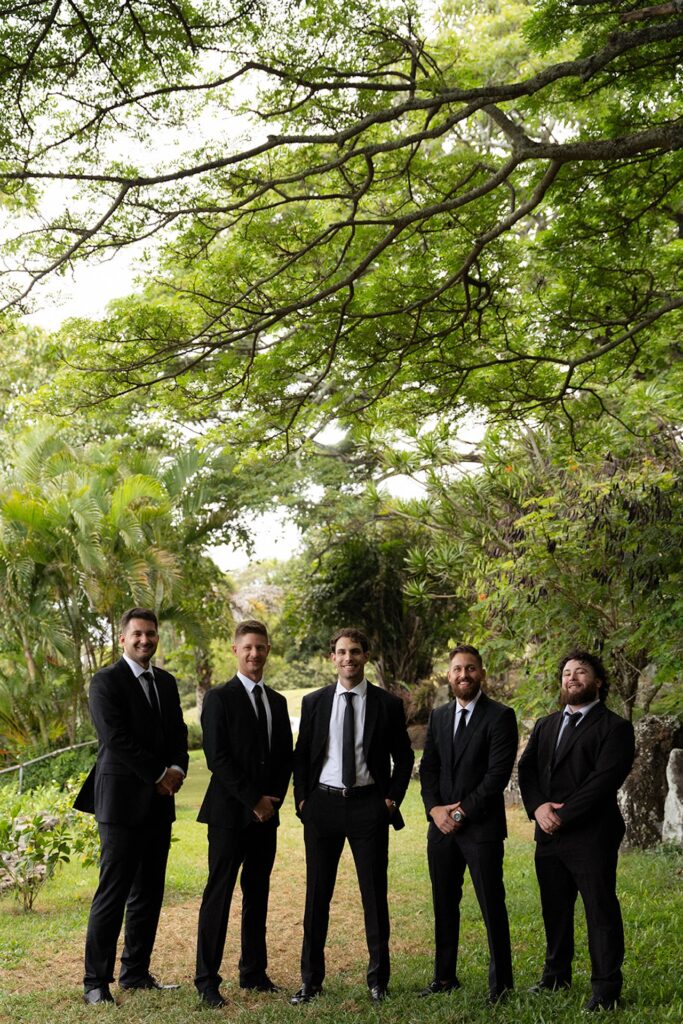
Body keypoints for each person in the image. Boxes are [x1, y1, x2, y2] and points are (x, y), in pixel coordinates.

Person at [290, 628, 414, 1005]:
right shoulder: (314, 702)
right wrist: (302, 801)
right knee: (317, 895)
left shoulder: (386, 704)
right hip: (323, 806)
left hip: (368, 807)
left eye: (355, 652)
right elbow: (302, 755)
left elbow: (404, 757)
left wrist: (391, 799)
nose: (348, 658)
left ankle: (378, 980)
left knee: (374, 895)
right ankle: (310, 981)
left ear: (365, 656)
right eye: (342, 652)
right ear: (332, 657)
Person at [74, 608, 189, 1005]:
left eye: (151, 634)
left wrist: (176, 768)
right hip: (121, 803)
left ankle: (136, 972)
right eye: (137, 634)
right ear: (122, 639)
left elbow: (178, 730)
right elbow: (115, 738)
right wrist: (159, 773)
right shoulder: (105, 681)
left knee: (149, 892)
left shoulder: (167, 682)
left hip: (159, 804)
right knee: (114, 892)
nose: (145, 640)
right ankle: (95, 982)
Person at [518, 649, 636, 1013]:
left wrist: (563, 815)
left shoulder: (615, 727)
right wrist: (538, 808)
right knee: (554, 909)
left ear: (597, 681)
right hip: (548, 833)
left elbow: (603, 782)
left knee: (599, 910)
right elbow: (526, 771)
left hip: (591, 833)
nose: (572, 677)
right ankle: (556, 975)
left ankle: (605, 990)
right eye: (567, 672)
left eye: (581, 672)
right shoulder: (546, 724)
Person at [194, 620, 293, 1008]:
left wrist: (275, 800)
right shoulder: (219, 698)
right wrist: (254, 800)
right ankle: (206, 981)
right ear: (236, 650)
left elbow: (286, 757)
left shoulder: (279, 701)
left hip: (267, 816)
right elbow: (217, 758)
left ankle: (253, 972)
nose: (255, 654)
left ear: (268, 650)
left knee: (258, 892)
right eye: (248, 647)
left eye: (261, 647)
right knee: (218, 895)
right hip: (228, 816)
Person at [419, 644, 518, 1005]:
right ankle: (444, 977)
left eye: (471, 668)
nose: (464, 675)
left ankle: (501, 985)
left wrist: (459, 814)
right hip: (440, 829)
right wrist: (435, 811)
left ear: (482, 673)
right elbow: (428, 768)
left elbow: (496, 777)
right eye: (458, 669)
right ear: (449, 675)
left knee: (492, 904)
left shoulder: (500, 716)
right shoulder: (439, 716)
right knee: (444, 903)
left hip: (481, 829)